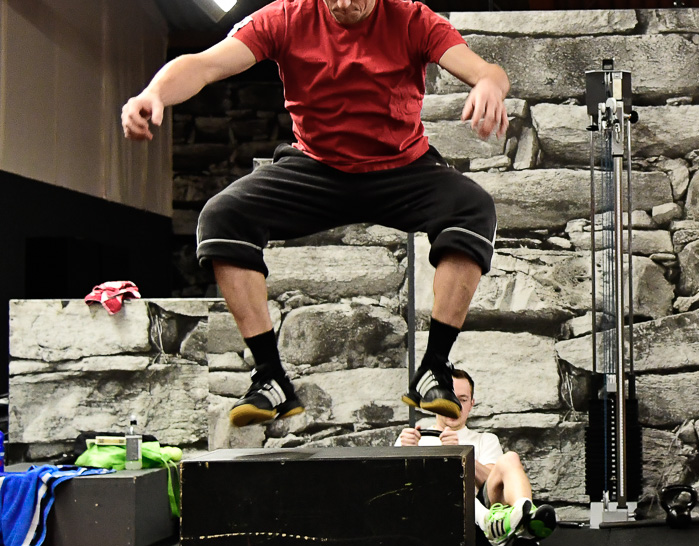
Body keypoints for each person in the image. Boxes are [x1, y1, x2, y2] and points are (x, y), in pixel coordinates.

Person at [121, 0, 509, 427]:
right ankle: (270, 378)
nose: (344, 5)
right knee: (221, 217)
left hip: (402, 167)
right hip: (316, 168)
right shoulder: (286, 18)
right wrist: (152, 93)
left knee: (473, 208)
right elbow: (204, 65)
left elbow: (486, 70)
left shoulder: (412, 19)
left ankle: (434, 368)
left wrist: (489, 85)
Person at [395, 367, 557, 546]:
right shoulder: (411, 438)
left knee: (510, 458)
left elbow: (492, 483)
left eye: (462, 400)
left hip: (477, 531)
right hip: (430, 527)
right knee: (444, 470)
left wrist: (460, 453)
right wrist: (407, 454)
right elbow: (392, 492)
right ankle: (517, 526)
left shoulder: (484, 440)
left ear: (471, 404)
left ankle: (524, 517)